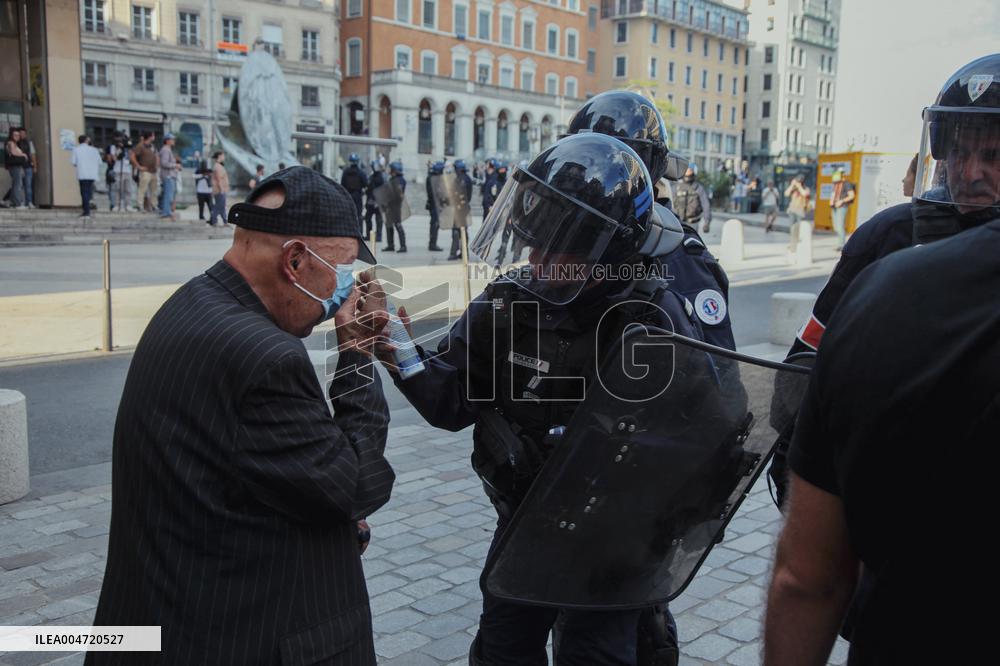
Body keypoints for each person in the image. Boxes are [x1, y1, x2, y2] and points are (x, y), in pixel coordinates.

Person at [377, 133, 708, 666]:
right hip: (525, 522)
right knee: (502, 650)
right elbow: (452, 399)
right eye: (531, 243)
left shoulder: (650, 321)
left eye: (555, 248)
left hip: (612, 543)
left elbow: (703, 446)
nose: (535, 259)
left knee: (595, 656)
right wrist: (397, 348)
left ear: (605, 251)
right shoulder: (511, 300)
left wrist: (609, 450)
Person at [87, 167, 395, 666]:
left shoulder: (191, 302)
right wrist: (357, 353)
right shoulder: (266, 357)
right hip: (238, 633)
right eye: (341, 270)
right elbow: (353, 485)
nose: (344, 290)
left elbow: (246, 470)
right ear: (295, 260)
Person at [764, 55, 1000, 660]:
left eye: (994, 155)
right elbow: (801, 373)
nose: (971, 172)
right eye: (959, 151)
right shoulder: (886, 237)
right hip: (879, 556)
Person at [563, 88, 734, 351]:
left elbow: (716, 363)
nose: (585, 179)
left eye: (599, 166)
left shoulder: (679, 257)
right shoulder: (566, 237)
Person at [673, 165, 713, 233]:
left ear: (694, 172)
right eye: (687, 170)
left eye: (690, 170)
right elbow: (670, 203)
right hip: (678, 223)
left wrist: (707, 222)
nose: (688, 172)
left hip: (693, 223)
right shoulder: (677, 187)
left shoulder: (698, 188)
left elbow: (706, 205)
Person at [71, 134, 102, 219]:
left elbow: (74, 162)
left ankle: (86, 211)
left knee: (84, 192)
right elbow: (99, 162)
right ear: (86, 140)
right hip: (92, 174)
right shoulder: (94, 150)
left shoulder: (76, 150)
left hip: (82, 173)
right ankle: (88, 208)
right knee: (89, 191)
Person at [448, 159, 473, 260]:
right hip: (462, 208)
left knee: (457, 231)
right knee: (462, 231)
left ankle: (454, 253)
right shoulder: (465, 178)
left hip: (460, 208)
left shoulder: (462, 180)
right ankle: (464, 252)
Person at [381, 161, 407, 253]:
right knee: (389, 225)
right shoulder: (393, 179)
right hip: (389, 205)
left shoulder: (400, 180)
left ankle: (403, 246)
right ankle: (390, 245)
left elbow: (398, 194)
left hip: (395, 206)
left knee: (398, 225)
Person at [131, 131, 158, 212]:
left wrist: (157, 165)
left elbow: (156, 155)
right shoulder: (140, 146)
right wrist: (139, 166)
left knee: (154, 190)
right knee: (142, 189)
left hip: (153, 171)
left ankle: (154, 205)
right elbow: (132, 157)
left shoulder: (152, 146)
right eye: (153, 135)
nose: (154, 137)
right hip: (145, 171)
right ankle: (140, 205)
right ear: (149, 136)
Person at [784, 174, 811, 254]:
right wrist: (792, 185)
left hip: (800, 211)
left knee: (799, 228)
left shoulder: (805, 188)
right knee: (792, 228)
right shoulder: (793, 188)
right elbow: (786, 194)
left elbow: (805, 194)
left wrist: (799, 186)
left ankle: (798, 243)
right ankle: (792, 244)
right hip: (792, 210)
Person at [829, 168, 855, 250]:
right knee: (836, 227)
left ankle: (842, 245)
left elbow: (852, 195)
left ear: (842, 174)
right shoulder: (836, 184)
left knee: (840, 227)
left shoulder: (846, 184)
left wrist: (841, 201)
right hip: (834, 207)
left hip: (842, 207)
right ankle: (840, 244)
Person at [340, 153, 368, 230]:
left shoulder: (345, 172)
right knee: (358, 215)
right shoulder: (361, 172)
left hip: (347, 196)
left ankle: (348, 231)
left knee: (348, 214)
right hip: (357, 196)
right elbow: (366, 184)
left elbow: (342, 184)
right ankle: (359, 232)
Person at [4, 128, 28, 209]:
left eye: (18, 135)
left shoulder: (15, 143)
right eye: (15, 135)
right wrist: (23, 155)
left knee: (16, 184)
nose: (17, 136)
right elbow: (13, 153)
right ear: (11, 135)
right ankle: (18, 203)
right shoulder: (10, 143)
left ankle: (11, 202)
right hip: (14, 166)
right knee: (17, 185)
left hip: (16, 166)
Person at [158, 132, 180, 220]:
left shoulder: (167, 149)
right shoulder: (166, 150)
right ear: (167, 141)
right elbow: (164, 163)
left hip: (169, 175)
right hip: (168, 176)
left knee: (168, 194)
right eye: (172, 139)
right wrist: (175, 165)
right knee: (168, 195)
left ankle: (166, 211)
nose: (173, 141)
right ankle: (166, 212)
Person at [425, 160, 445, 252]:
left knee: (434, 224)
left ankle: (432, 243)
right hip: (435, 205)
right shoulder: (434, 179)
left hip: (434, 204)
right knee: (435, 224)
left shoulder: (431, 177)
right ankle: (432, 244)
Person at [364, 159, 385, 243]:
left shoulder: (381, 178)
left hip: (378, 201)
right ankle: (369, 235)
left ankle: (379, 236)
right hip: (371, 200)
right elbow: (369, 188)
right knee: (368, 218)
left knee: (378, 219)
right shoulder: (372, 177)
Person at [17, 127, 35, 208]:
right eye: (20, 133)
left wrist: (35, 166)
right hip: (19, 166)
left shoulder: (29, 143)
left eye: (24, 133)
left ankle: (29, 202)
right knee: (20, 185)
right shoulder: (16, 143)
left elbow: (33, 154)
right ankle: (21, 202)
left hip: (28, 166)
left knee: (28, 185)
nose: (22, 135)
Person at [210, 151, 230, 227]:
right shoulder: (217, 166)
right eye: (223, 156)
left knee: (221, 206)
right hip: (219, 190)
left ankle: (225, 221)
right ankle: (214, 221)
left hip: (221, 189)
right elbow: (219, 179)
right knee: (219, 206)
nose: (224, 157)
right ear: (219, 156)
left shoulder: (218, 166)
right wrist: (221, 189)